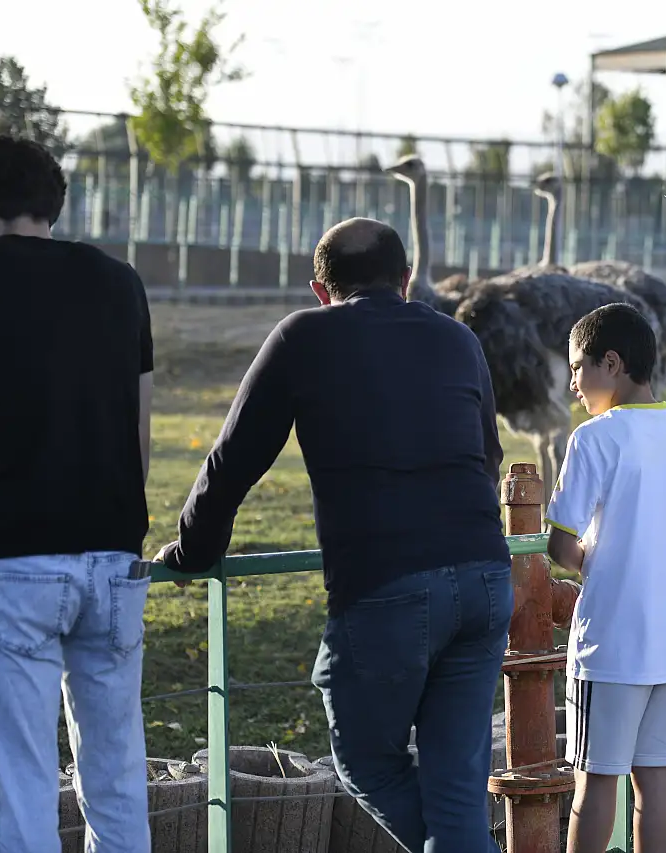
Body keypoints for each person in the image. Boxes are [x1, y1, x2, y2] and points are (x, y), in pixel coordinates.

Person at [155, 217, 512, 853]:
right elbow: (488, 458)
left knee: (367, 765)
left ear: (319, 290)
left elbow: (233, 459)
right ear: (406, 282)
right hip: (485, 576)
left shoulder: (303, 335)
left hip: (386, 584)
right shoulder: (459, 339)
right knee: (457, 789)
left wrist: (193, 551)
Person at [0, 135, 155, 852]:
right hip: (114, 553)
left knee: (22, 796)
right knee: (116, 784)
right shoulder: (121, 281)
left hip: (9, 554)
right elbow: (139, 431)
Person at [543, 303, 666, 853]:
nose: (573, 381)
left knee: (595, 783)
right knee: (656, 782)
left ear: (612, 363)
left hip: (610, 645)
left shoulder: (594, 437)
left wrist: (604, 560)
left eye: (578, 367)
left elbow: (558, 545)